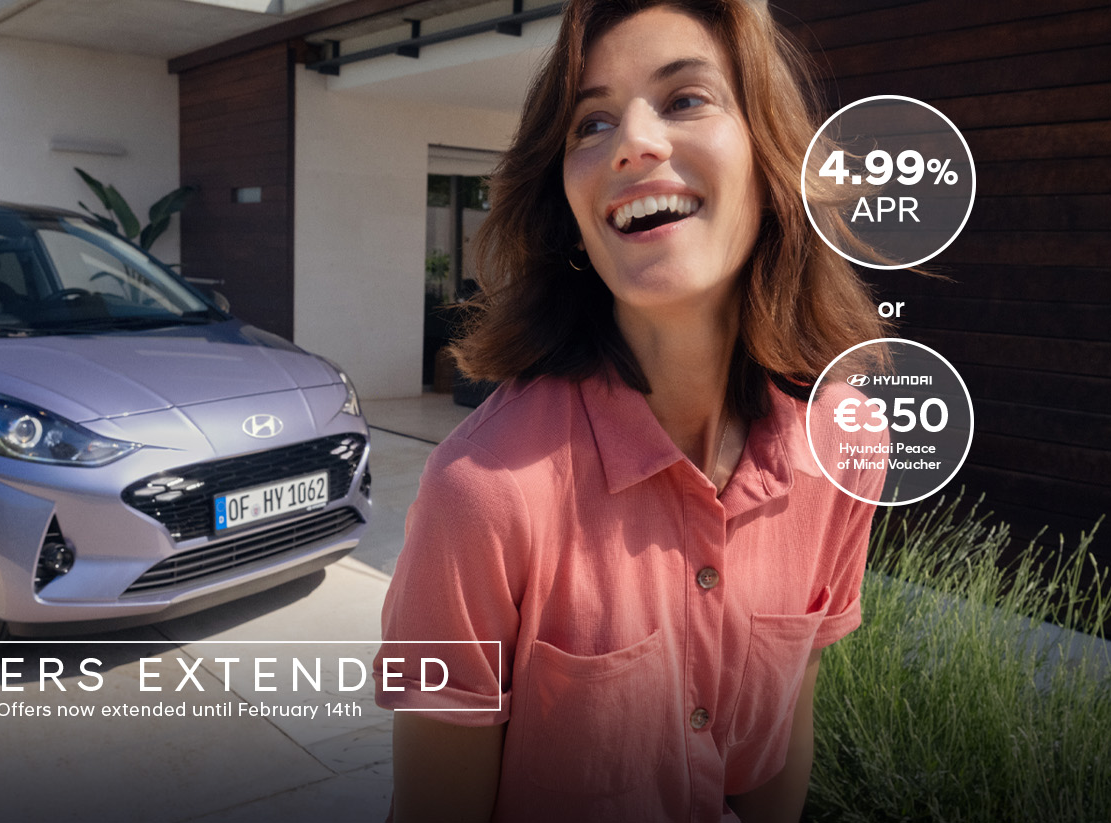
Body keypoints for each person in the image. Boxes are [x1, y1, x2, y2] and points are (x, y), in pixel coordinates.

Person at [375, 1, 890, 821]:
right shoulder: (479, 494)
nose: (632, 143)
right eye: (592, 123)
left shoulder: (846, 441)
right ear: (575, 216)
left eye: (686, 99)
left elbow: (782, 739)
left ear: (770, 162)